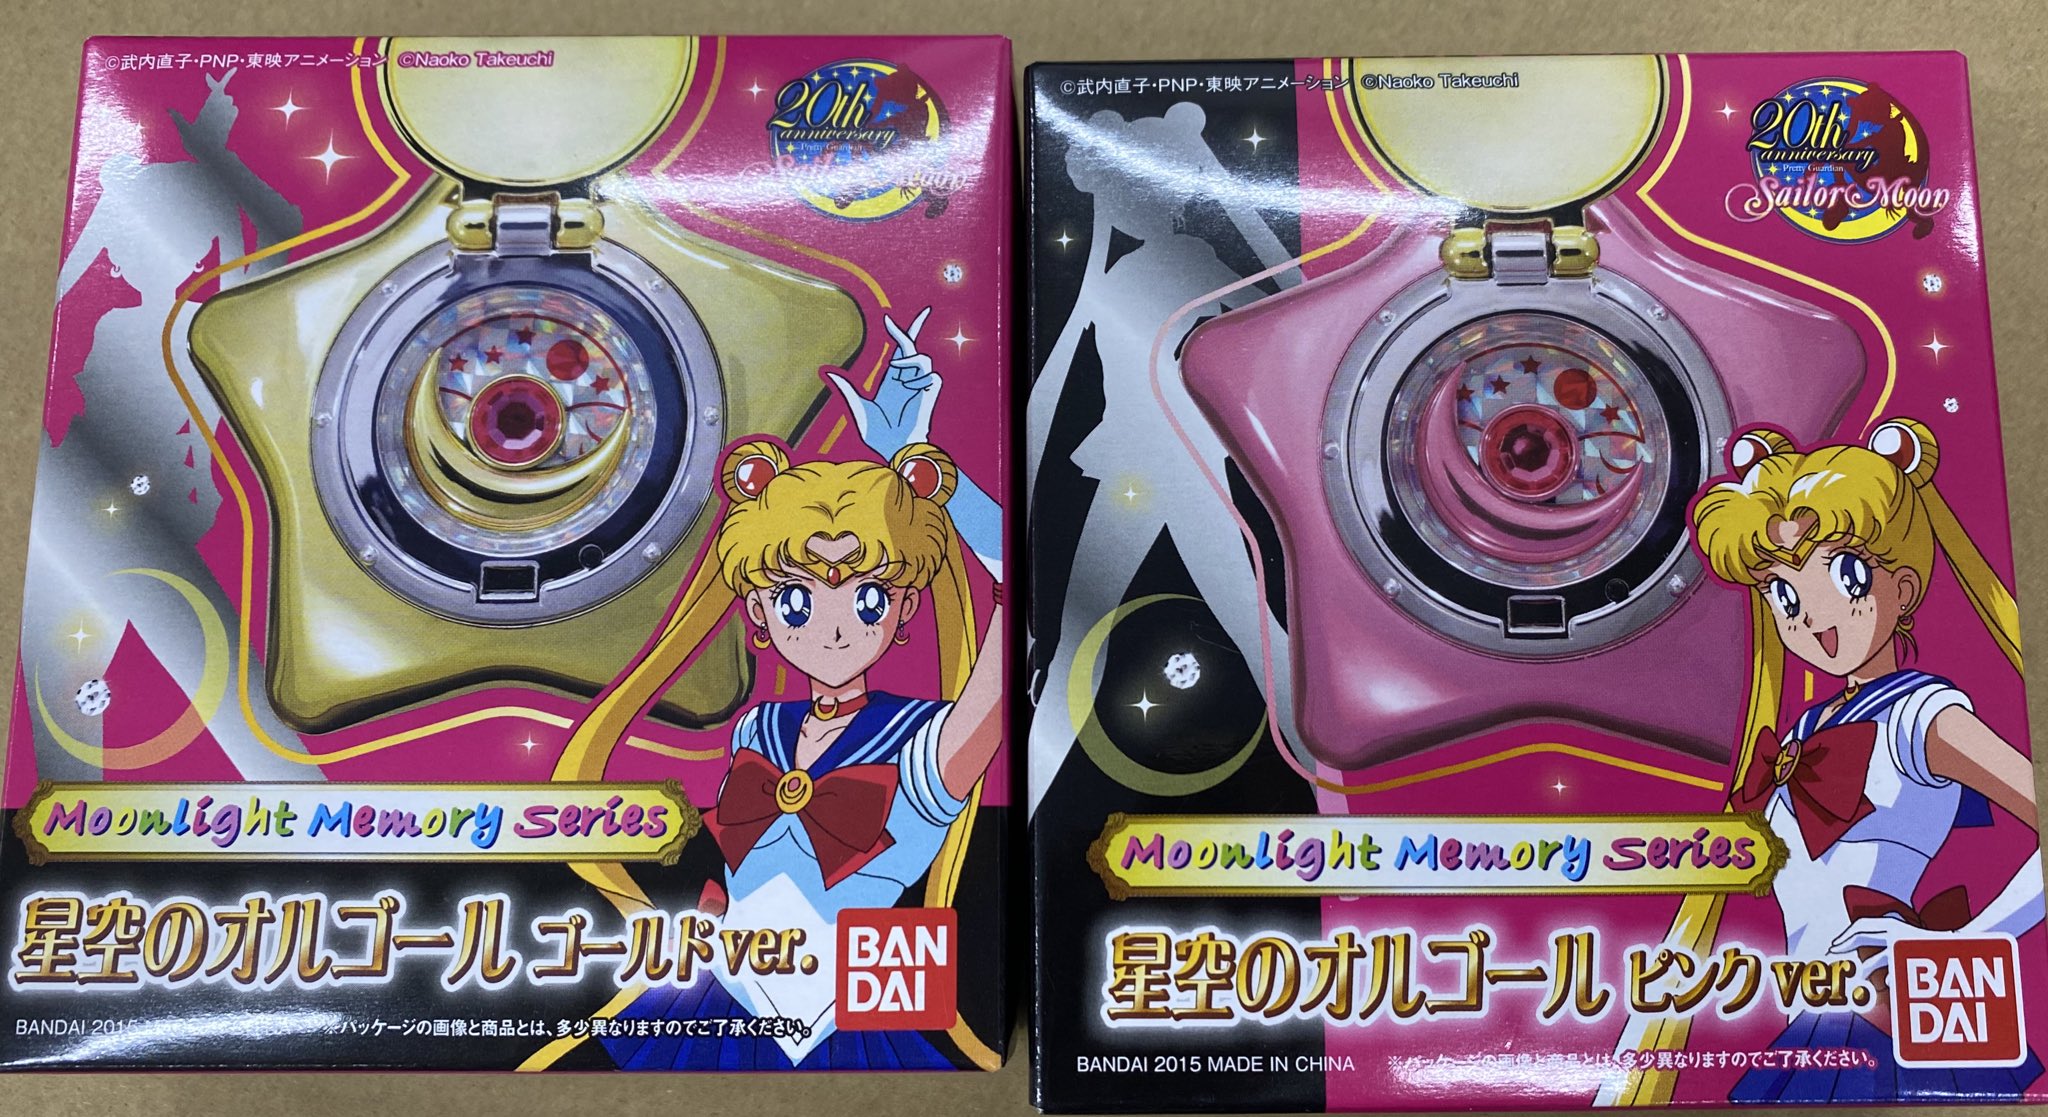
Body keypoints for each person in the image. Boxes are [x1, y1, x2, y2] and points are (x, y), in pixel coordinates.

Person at [580, 312, 1003, 1070]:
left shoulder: (926, 746)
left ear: (905, 608)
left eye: (867, 599)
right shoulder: (759, 730)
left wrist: (913, 455)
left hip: (843, 1017)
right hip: (718, 994)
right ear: (759, 613)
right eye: (798, 601)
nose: (834, 629)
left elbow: (1019, 580)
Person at [1691, 419, 2043, 1102]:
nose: (1810, 616)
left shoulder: (1920, 714)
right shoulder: (1804, 729)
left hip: (1886, 1013)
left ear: (1903, 590)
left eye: (1845, 576)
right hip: (1812, 1014)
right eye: (1784, 593)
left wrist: (1961, 944)